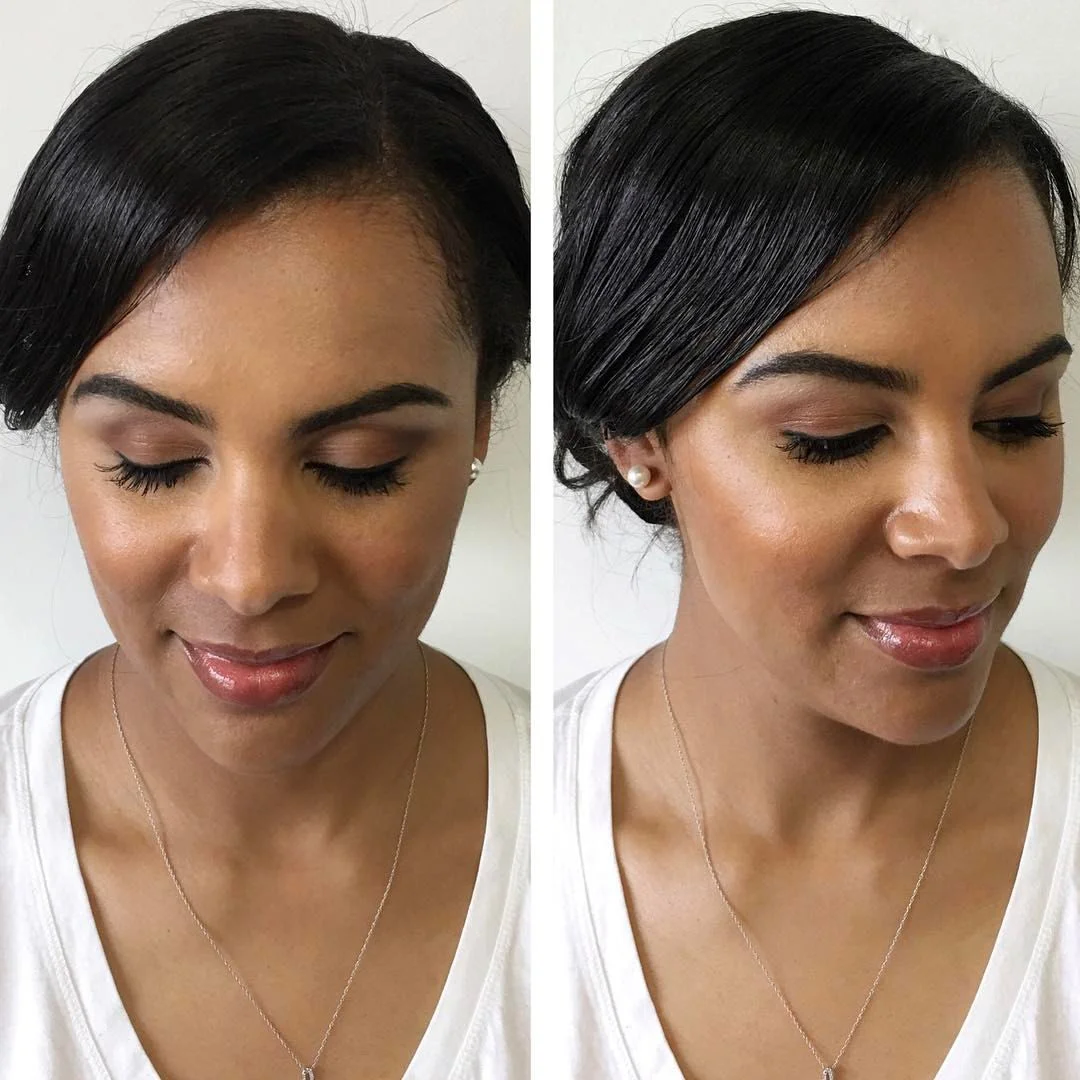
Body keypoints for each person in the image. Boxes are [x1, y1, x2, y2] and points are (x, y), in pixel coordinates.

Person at [0, 8, 529, 1079]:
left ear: (479, 425)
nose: (250, 580)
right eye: (153, 461)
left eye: (359, 464)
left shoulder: (582, 836)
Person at [554, 10, 1079, 1080]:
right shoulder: (521, 855)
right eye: (833, 437)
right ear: (637, 441)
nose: (966, 528)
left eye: (1017, 418)